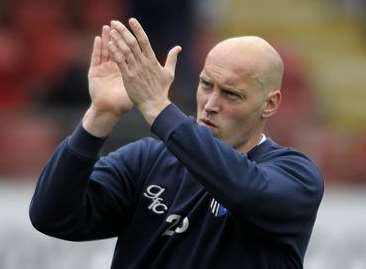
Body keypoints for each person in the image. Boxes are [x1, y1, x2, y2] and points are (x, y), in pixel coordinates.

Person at [29, 18, 324, 269]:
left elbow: (245, 192)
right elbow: (51, 216)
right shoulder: (148, 160)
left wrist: (158, 107)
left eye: (231, 94)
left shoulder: (296, 176)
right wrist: (100, 115)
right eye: (206, 84)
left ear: (269, 104)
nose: (210, 104)